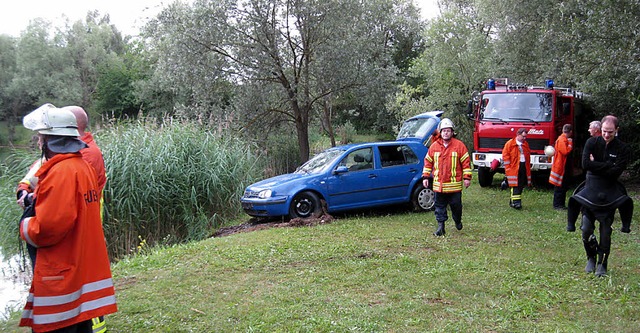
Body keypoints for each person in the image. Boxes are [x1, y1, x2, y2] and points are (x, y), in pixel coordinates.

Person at [18, 103, 117, 332]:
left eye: (41, 137)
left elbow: (49, 228)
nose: (39, 142)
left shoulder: (61, 172)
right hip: (77, 263)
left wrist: (26, 225)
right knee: (80, 322)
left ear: (51, 140)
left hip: (62, 271)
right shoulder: (80, 166)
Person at [567, 115, 633, 277]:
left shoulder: (622, 148)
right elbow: (585, 165)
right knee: (586, 229)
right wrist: (607, 165)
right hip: (591, 189)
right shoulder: (592, 142)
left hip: (609, 191)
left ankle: (602, 263)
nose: (606, 135)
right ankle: (590, 257)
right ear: (600, 129)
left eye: (610, 132)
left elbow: (616, 172)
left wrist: (596, 165)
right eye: (604, 131)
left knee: (605, 232)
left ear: (616, 130)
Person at [422, 118, 472, 236]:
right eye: (444, 131)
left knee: (456, 207)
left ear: (452, 132)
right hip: (439, 185)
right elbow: (428, 162)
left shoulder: (459, 146)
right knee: (439, 207)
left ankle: (457, 220)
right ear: (440, 132)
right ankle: (441, 227)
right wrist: (425, 177)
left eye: (448, 131)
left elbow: (466, 163)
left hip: (454, 186)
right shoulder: (434, 146)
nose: (446, 133)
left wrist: (467, 178)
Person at [502, 128, 531, 209]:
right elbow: (505, 156)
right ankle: (516, 203)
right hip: (513, 169)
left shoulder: (525, 144)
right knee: (515, 185)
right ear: (518, 135)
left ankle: (513, 201)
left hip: (523, 167)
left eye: (526, 137)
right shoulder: (510, 144)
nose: (524, 138)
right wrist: (508, 169)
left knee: (521, 184)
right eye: (523, 136)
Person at [549, 124, 573, 209]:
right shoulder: (562, 139)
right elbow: (565, 152)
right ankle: (557, 205)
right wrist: (570, 144)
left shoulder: (562, 139)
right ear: (570, 132)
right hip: (560, 167)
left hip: (562, 166)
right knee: (559, 187)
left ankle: (561, 204)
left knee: (563, 186)